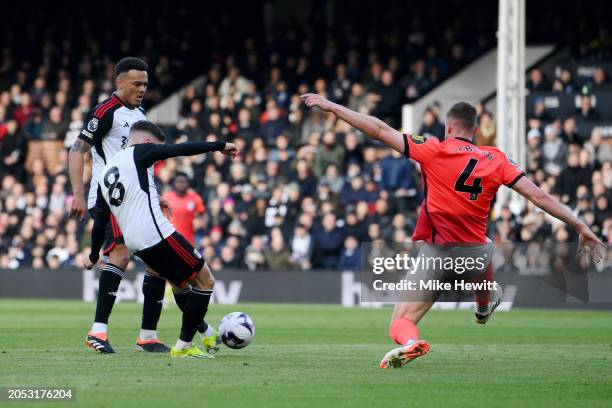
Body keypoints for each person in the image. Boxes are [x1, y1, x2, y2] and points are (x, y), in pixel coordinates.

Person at [301, 93, 605, 369]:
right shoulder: (496, 158)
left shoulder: (432, 149)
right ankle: (484, 304)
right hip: (476, 257)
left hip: (438, 255)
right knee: (485, 244)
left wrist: (334, 107)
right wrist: (581, 226)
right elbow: (540, 197)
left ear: (447, 127)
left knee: (400, 321)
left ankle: (410, 343)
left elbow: (379, 131)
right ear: (475, 130)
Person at [84, 120, 238, 358]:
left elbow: (100, 222)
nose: (157, 160)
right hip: (156, 233)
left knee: (178, 282)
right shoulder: (141, 151)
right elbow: (180, 149)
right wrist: (219, 145)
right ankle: (183, 347)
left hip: (135, 242)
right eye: (157, 150)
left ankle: (205, 333)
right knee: (206, 281)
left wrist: (94, 254)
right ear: (147, 142)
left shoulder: (107, 173)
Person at [68, 57, 173, 353]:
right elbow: (77, 152)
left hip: (139, 197)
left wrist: (155, 191)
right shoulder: (104, 113)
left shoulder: (140, 113)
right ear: (120, 83)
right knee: (121, 255)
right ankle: (97, 332)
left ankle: (148, 336)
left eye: (145, 85)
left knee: (158, 262)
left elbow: (141, 158)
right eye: (137, 84)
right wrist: (77, 192)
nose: (142, 89)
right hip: (109, 196)